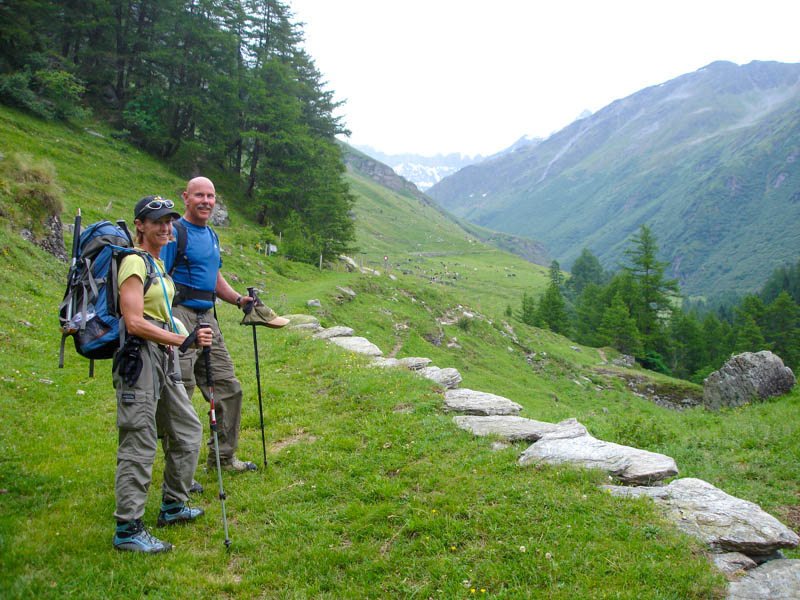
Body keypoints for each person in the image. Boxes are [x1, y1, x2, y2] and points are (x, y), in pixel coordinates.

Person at [112, 195, 212, 554]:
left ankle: (172, 505)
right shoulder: (133, 264)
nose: (166, 227)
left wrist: (175, 343)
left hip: (164, 359)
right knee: (138, 439)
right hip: (139, 361)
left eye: (169, 221)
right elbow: (134, 321)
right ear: (140, 225)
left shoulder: (156, 263)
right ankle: (128, 528)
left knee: (187, 428)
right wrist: (181, 338)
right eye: (157, 222)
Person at [161, 177, 257, 473]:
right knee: (182, 390)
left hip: (208, 318)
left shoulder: (211, 235)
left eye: (211, 196)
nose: (206, 201)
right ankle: (179, 473)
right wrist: (165, 326)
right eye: (199, 195)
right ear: (185, 197)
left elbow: (214, 278)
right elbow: (158, 277)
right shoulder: (174, 233)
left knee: (228, 387)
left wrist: (238, 300)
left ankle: (223, 460)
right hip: (180, 316)